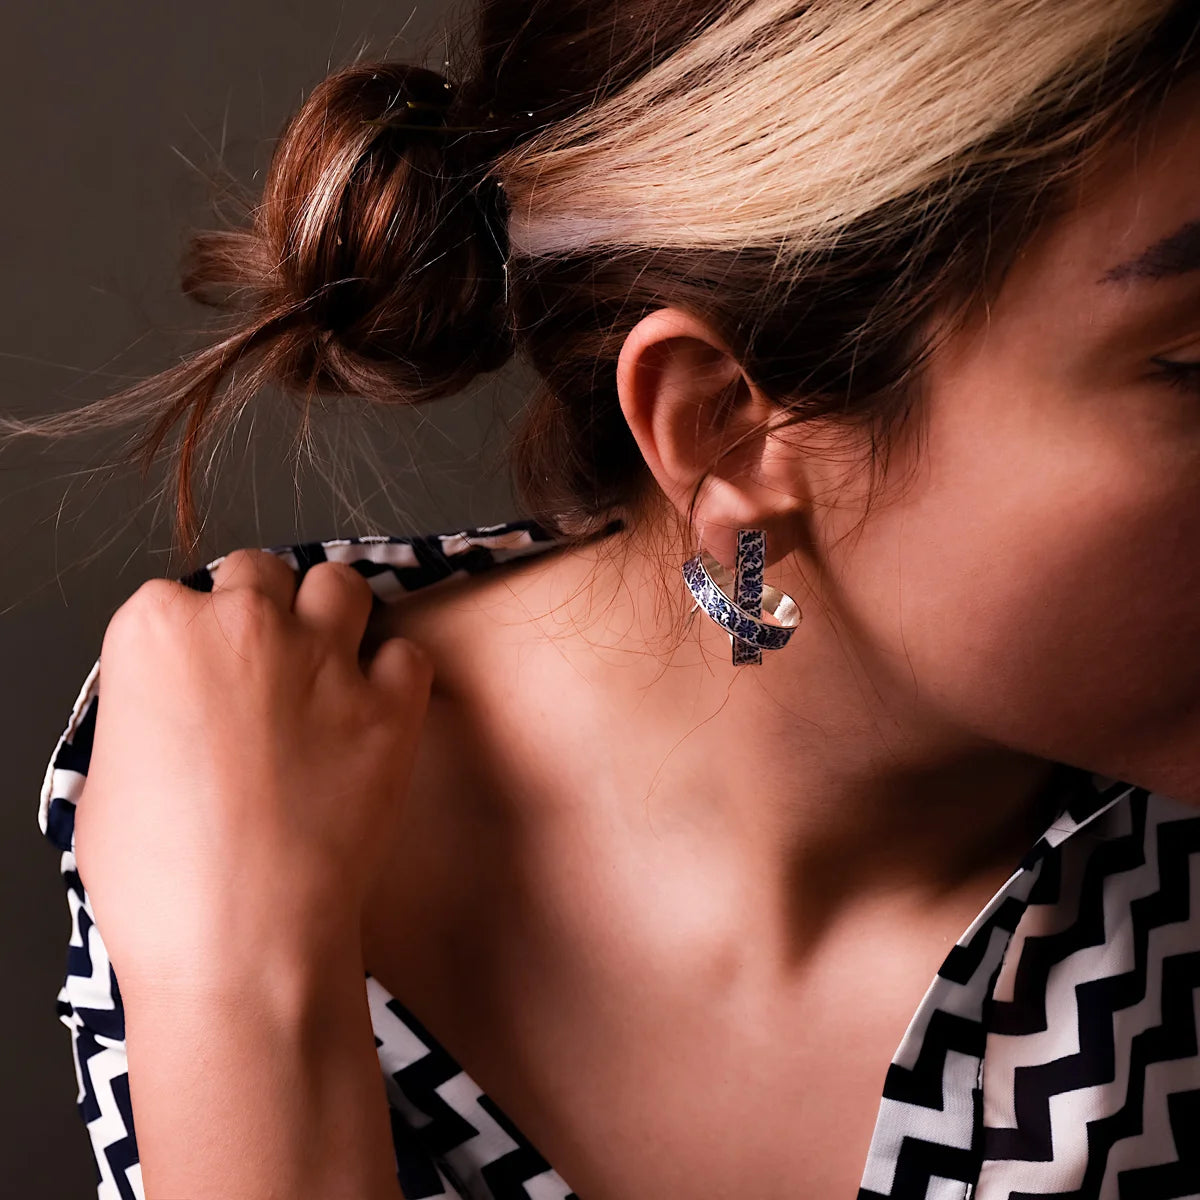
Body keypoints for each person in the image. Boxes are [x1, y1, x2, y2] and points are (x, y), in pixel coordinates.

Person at [27, 0, 1200, 1196]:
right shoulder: (230, 778)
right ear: (729, 429)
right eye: (1194, 362)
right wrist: (236, 978)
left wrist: (243, 1008)